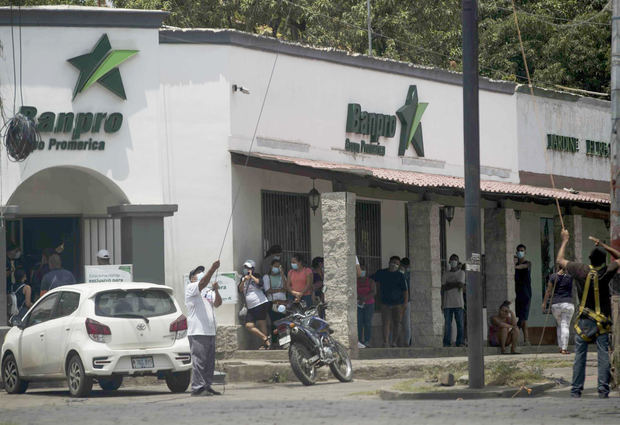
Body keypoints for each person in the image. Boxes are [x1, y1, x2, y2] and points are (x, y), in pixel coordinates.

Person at [557, 230, 618, 398]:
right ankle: (603, 390)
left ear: (589, 260)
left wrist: (565, 240)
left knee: (580, 356)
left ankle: (576, 390)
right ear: (603, 260)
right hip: (602, 322)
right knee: (603, 356)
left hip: (583, 321)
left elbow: (560, 260)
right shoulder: (607, 271)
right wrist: (605, 246)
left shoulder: (580, 269)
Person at [185, 260, 222, 396]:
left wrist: (216, 290)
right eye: (197, 273)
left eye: (202, 272)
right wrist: (212, 269)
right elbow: (202, 283)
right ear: (192, 278)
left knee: (209, 362)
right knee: (199, 361)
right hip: (198, 331)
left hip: (210, 331)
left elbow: (218, 303)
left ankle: (207, 385)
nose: (200, 274)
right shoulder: (191, 287)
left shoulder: (207, 291)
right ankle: (197, 387)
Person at [371, 256, 408, 348]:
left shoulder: (400, 275)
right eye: (393, 262)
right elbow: (371, 279)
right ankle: (385, 342)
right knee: (386, 323)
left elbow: (405, 291)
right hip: (385, 303)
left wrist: (405, 303)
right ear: (389, 262)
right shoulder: (382, 273)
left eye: (397, 264)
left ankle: (394, 342)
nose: (394, 265)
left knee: (397, 323)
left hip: (398, 304)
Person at [541, 266, 574, 354]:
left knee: (560, 325)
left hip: (555, 305)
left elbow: (548, 291)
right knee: (565, 325)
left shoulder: (553, 276)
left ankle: (560, 347)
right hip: (567, 304)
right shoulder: (570, 277)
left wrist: (544, 303)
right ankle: (564, 348)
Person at [239, 260, 270, 349]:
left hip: (260, 302)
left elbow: (260, 284)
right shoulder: (242, 278)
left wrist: (251, 276)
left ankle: (264, 345)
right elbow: (240, 290)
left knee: (261, 323)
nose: (246, 269)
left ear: (252, 268)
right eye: (245, 267)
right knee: (249, 325)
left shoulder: (257, 276)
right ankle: (265, 338)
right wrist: (244, 281)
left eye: (248, 268)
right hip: (250, 306)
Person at [442, 254, 465, 347]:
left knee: (460, 324)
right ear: (449, 262)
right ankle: (447, 343)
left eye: (455, 260)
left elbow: (460, 285)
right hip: (447, 303)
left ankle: (459, 342)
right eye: (451, 260)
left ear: (458, 261)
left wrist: (449, 284)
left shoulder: (462, 273)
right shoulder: (445, 273)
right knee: (447, 325)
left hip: (458, 303)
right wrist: (455, 284)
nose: (453, 261)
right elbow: (444, 287)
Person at [263, 258, 288, 347]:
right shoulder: (267, 277)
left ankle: (284, 342)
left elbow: (286, 288)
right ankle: (274, 342)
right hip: (273, 302)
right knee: (274, 323)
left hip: (282, 302)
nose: (276, 268)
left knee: (283, 322)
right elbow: (268, 290)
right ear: (271, 266)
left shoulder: (282, 276)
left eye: (278, 267)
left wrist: (282, 274)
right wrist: (280, 290)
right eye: (275, 266)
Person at [514, 243, 532, 345]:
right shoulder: (515, 265)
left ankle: (523, 339)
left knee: (523, 317)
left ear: (525, 252)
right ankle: (524, 339)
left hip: (526, 294)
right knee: (521, 317)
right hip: (518, 294)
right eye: (519, 251)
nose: (520, 252)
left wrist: (514, 265)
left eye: (522, 251)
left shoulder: (528, 263)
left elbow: (523, 266)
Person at [356, 263, 376, 348]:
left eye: (363, 269)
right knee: (359, 323)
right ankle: (359, 341)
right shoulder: (355, 281)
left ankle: (367, 340)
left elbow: (374, 292)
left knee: (367, 323)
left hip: (369, 304)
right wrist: (360, 299)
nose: (362, 271)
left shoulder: (370, 281)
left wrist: (365, 298)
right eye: (361, 269)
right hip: (358, 304)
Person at [399, 257, 412, 347]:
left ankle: (406, 342)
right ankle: (400, 342)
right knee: (399, 323)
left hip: (406, 301)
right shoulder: (400, 273)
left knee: (406, 323)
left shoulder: (407, 274)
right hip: (398, 301)